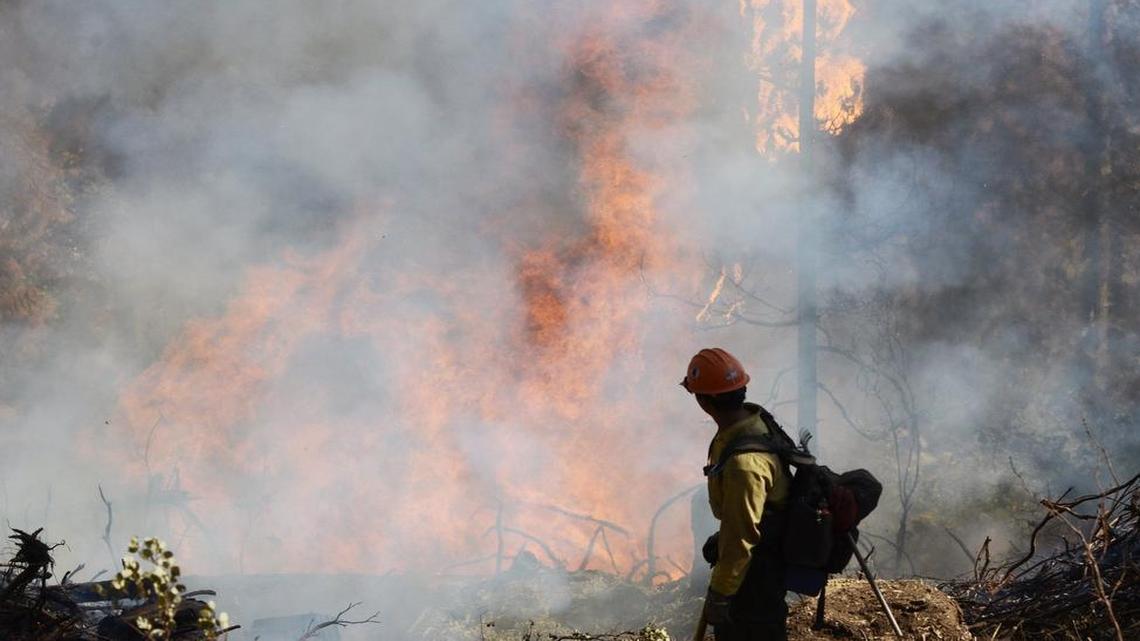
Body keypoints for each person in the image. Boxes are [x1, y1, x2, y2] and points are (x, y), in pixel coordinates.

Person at [681, 347, 791, 641]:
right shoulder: (748, 422)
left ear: (704, 401)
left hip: (756, 570)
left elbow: (743, 536)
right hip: (755, 555)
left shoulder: (746, 465)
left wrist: (721, 592)